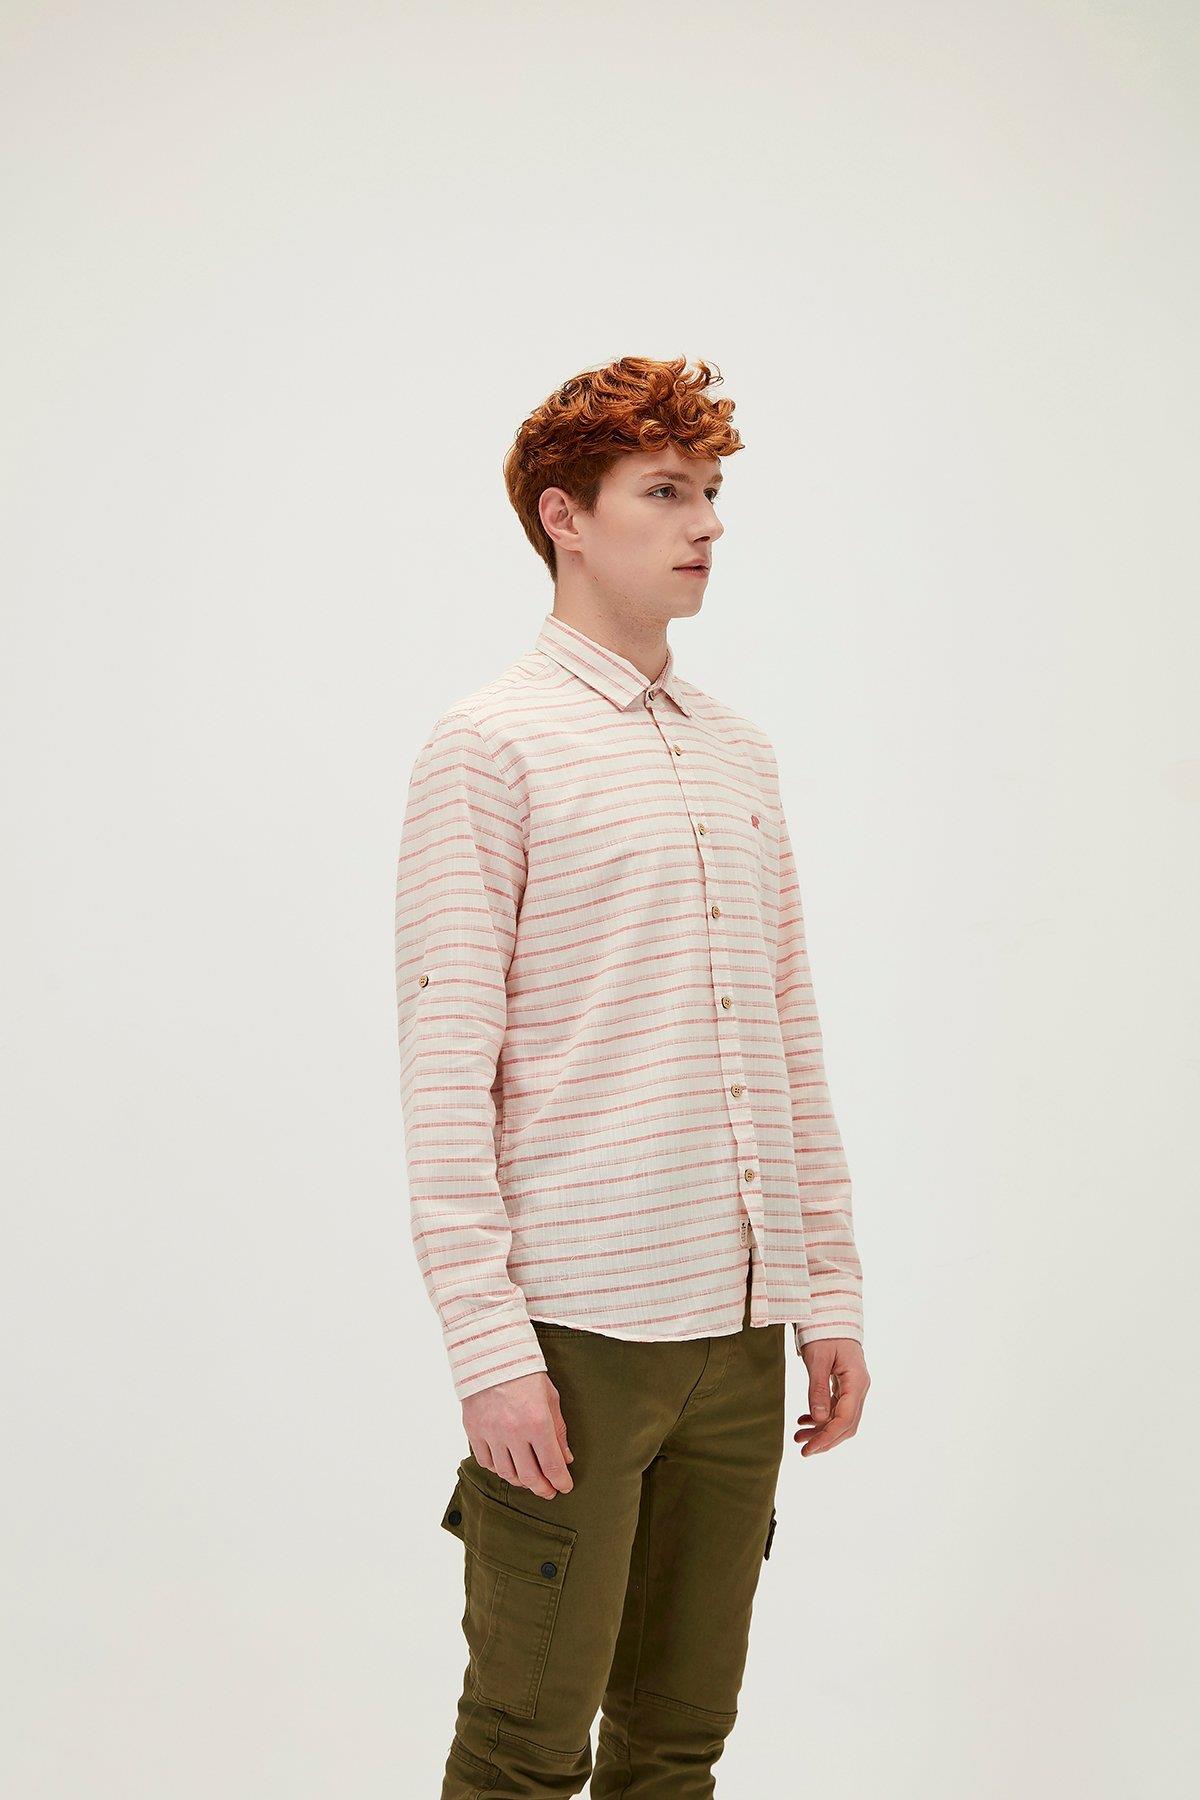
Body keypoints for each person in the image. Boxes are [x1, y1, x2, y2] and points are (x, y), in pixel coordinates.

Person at [393, 353, 869, 1797]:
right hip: (578, 1337)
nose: (706, 524)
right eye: (665, 491)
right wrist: (489, 1349)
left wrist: (831, 1295)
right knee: (525, 1744)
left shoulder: (741, 754)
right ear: (564, 517)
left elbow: (789, 1038)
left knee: (678, 1743)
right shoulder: (489, 746)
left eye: (711, 492)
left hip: (741, 1335)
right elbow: (443, 1072)